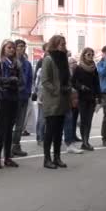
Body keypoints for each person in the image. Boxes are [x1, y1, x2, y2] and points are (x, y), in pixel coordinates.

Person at [40, 35, 71, 169]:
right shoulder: (48, 59)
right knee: (50, 131)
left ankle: (57, 157)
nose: (64, 46)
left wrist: (68, 87)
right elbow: (45, 80)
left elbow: (66, 77)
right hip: (53, 100)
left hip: (63, 99)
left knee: (59, 131)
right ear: (54, 45)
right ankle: (47, 159)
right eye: (61, 44)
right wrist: (57, 91)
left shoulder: (63, 59)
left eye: (64, 43)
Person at [0, 40, 22, 169]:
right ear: (3, 49)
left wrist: (14, 81)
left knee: (10, 129)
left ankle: (8, 157)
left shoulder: (17, 64)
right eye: (9, 47)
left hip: (14, 98)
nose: (12, 50)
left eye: (13, 48)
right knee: (1, 129)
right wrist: (10, 80)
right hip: (2, 99)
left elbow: (21, 81)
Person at [72, 47, 100, 151]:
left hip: (92, 97)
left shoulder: (94, 68)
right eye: (88, 54)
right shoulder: (79, 68)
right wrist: (81, 87)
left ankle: (86, 141)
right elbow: (73, 82)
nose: (91, 56)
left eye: (92, 55)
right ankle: (84, 142)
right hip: (82, 97)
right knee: (84, 120)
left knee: (89, 120)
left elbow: (97, 83)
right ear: (84, 55)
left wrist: (98, 96)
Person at [11, 40, 32, 157]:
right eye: (20, 46)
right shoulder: (12, 62)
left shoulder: (27, 64)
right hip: (13, 97)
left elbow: (29, 79)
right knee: (11, 123)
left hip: (24, 96)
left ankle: (16, 145)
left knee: (20, 123)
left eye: (24, 47)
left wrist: (28, 92)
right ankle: (8, 146)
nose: (22, 49)